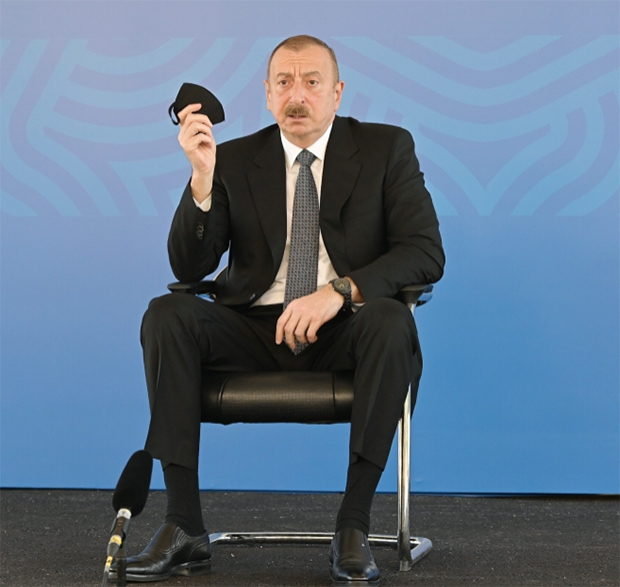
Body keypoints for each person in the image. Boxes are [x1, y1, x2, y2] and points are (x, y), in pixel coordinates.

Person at [118, 35, 444, 585]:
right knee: (166, 313)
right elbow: (190, 266)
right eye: (285, 83)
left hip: (343, 330)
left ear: (337, 93)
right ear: (268, 95)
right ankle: (183, 525)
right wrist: (201, 179)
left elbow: (425, 251)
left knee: (391, 319)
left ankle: (353, 526)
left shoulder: (387, 149)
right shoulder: (235, 158)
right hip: (252, 328)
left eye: (312, 82)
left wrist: (339, 291)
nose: (298, 96)